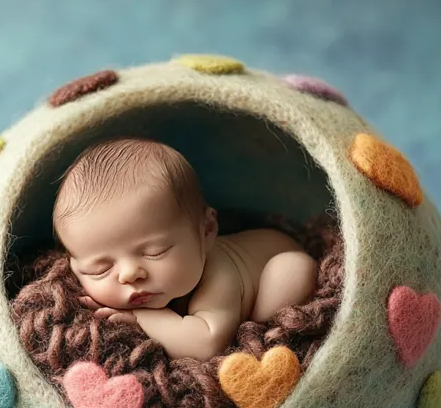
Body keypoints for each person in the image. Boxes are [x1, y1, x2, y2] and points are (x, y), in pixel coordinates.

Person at [52, 137, 317, 361]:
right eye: (100, 269)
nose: (129, 274)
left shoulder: (216, 274)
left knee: (294, 268)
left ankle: (264, 328)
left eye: (155, 251)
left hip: (275, 265)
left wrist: (141, 317)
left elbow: (207, 344)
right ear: (76, 268)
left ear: (207, 230)